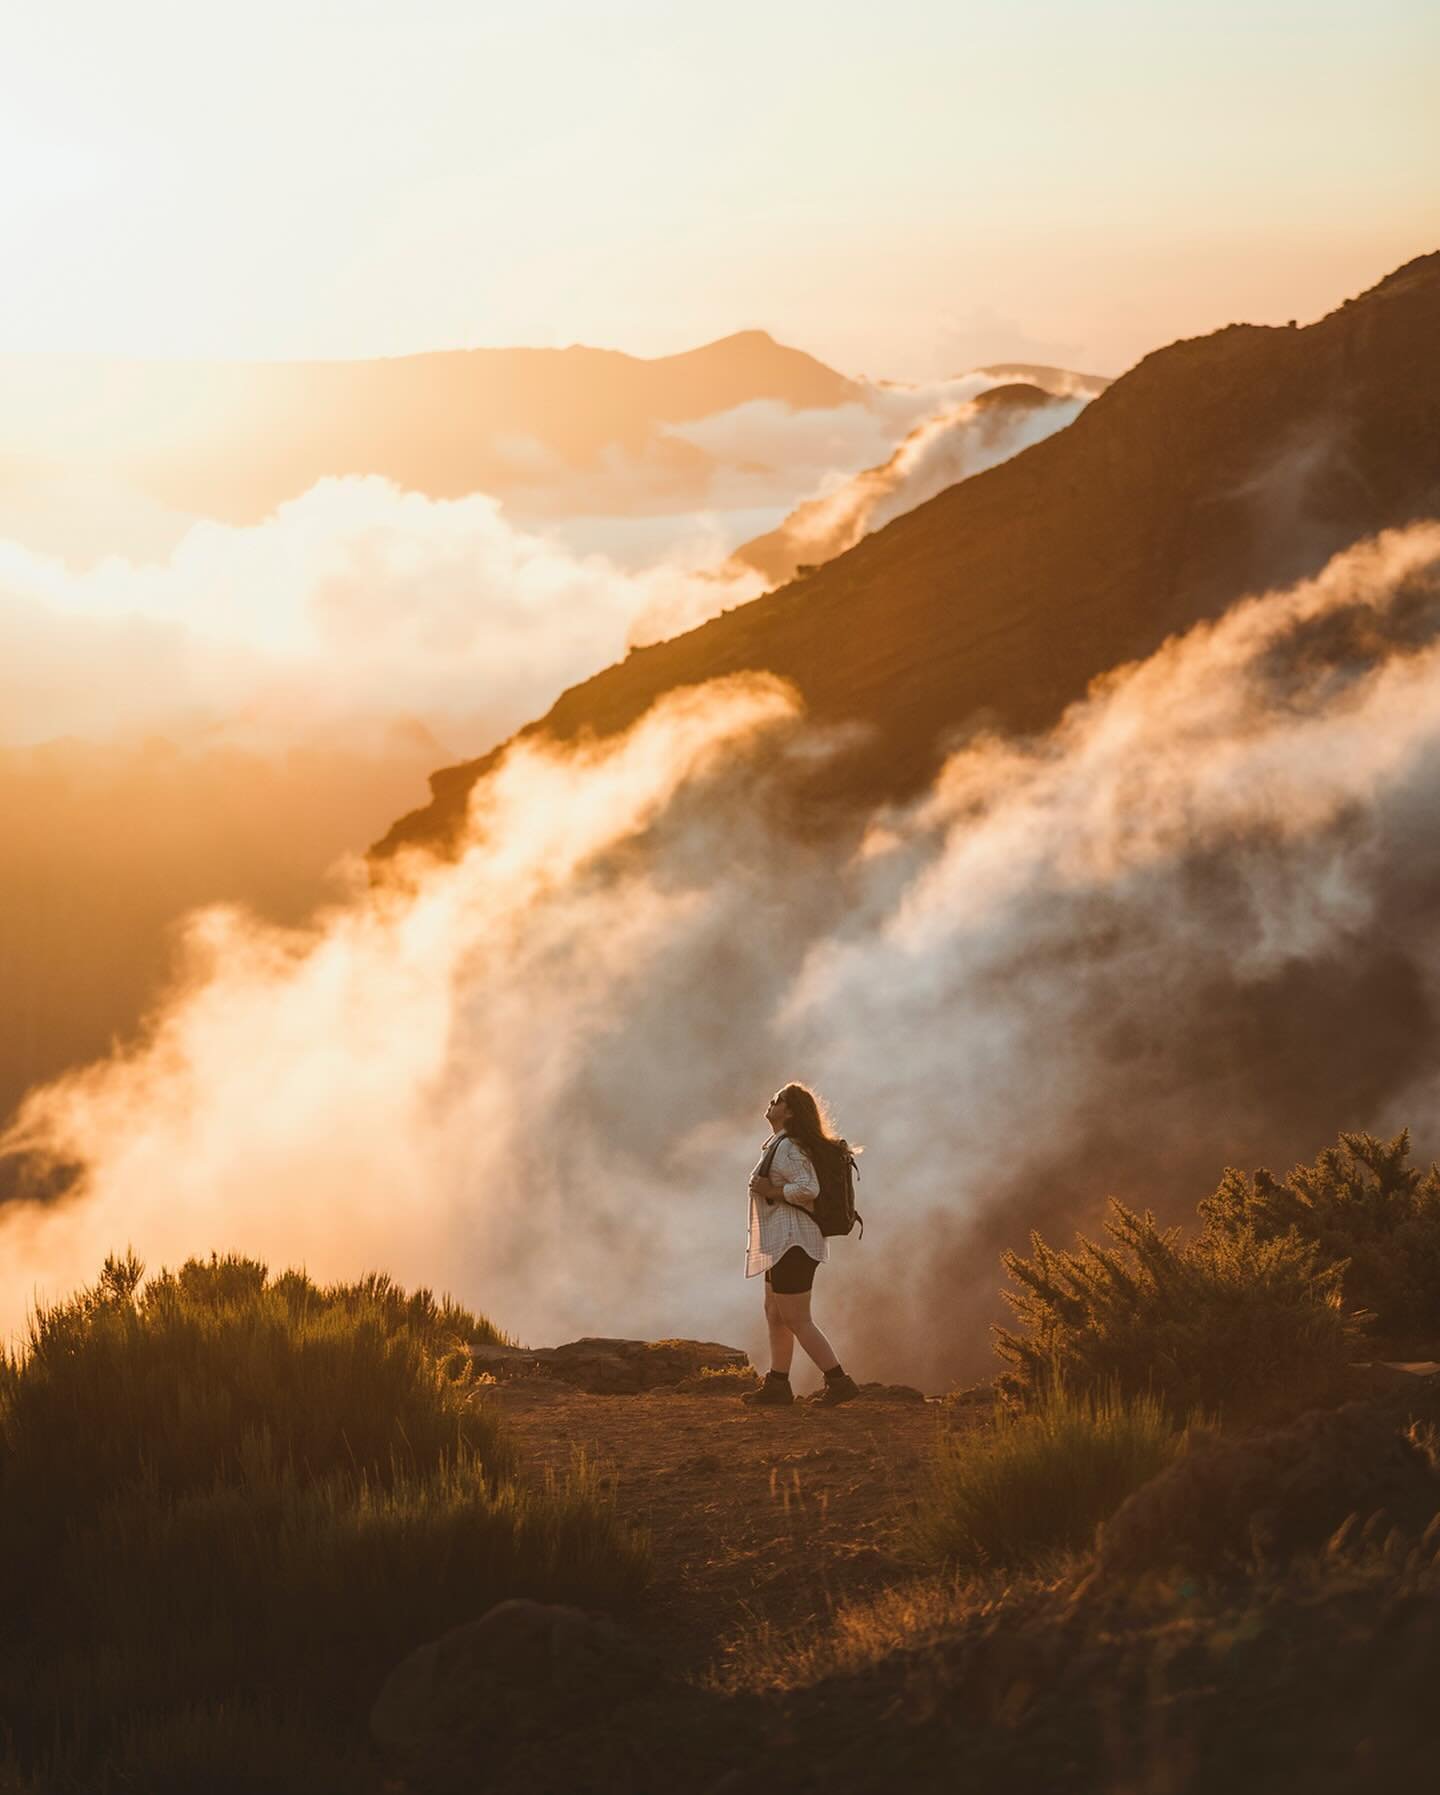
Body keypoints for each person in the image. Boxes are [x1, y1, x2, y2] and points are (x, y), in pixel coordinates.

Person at [742, 1082, 860, 1407]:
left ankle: (839, 1381)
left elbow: (810, 1188)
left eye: (777, 1099)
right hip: (783, 1242)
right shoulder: (779, 1144)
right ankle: (778, 1384)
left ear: (790, 1111)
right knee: (775, 1312)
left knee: (797, 1318)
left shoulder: (789, 1148)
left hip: (794, 1242)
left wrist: (773, 1191)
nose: (771, 1102)